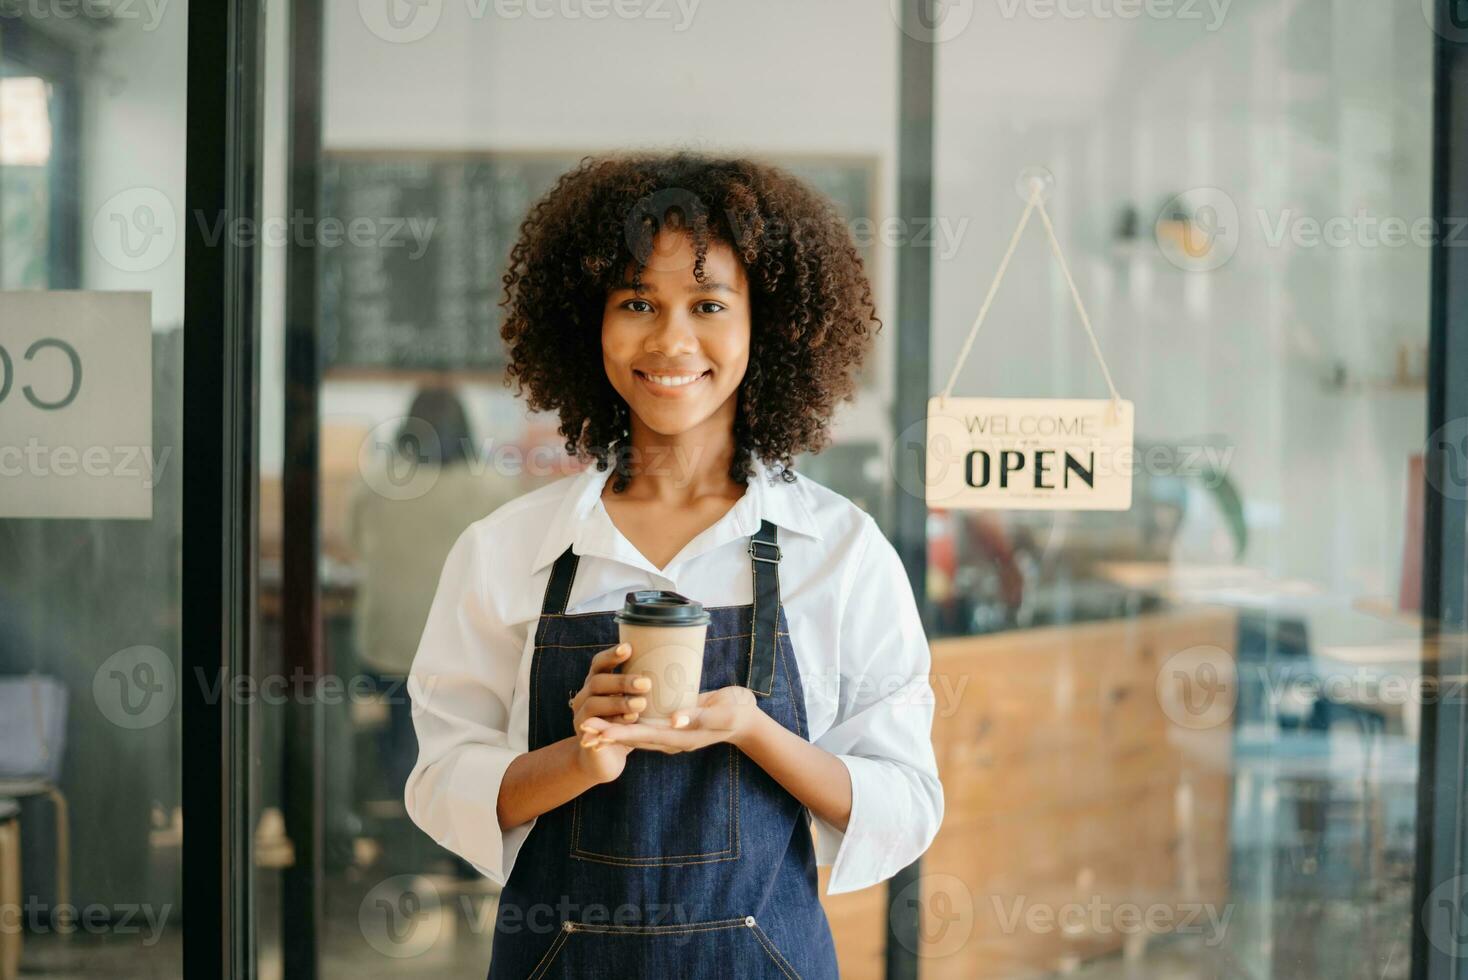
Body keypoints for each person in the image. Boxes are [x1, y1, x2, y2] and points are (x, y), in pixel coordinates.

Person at [405, 153, 943, 978]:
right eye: (637, 302)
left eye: (709, 304)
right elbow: (441, 782)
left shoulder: (838, 551)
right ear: (591, 323)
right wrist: (577, 758)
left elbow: (905, 801)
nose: (670, 339)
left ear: (770, 324)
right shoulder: (507, 550)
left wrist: (756, 732)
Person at [348, 387, 518, 803]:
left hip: (387, 648)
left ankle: (403, 811)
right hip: (462, 653)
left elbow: (353, 542)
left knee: (403, 720)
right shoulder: (493, 489)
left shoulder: (378, 482)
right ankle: (452, 831)